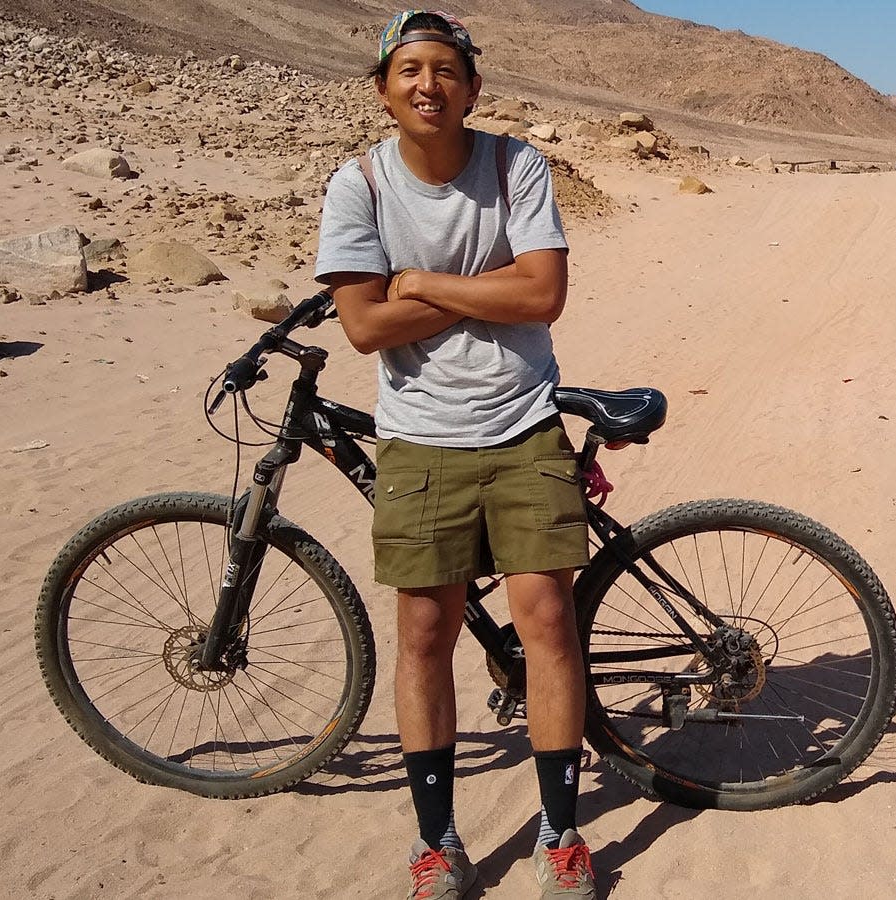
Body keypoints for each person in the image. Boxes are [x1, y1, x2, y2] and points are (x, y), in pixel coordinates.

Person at [315, 10, 595, 899]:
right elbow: (363, 326)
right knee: (424, 634)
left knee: (548, 624)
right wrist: (493, 290)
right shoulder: (357, 184)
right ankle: (437, 842)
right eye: (410, 70)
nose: (428, 84)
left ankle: (560, 834)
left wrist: (428, 282)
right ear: (384, 88)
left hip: (522, 424)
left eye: (446, 69)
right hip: (420, 435)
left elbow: (544, 294)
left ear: (472, 87)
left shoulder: (516, 165)